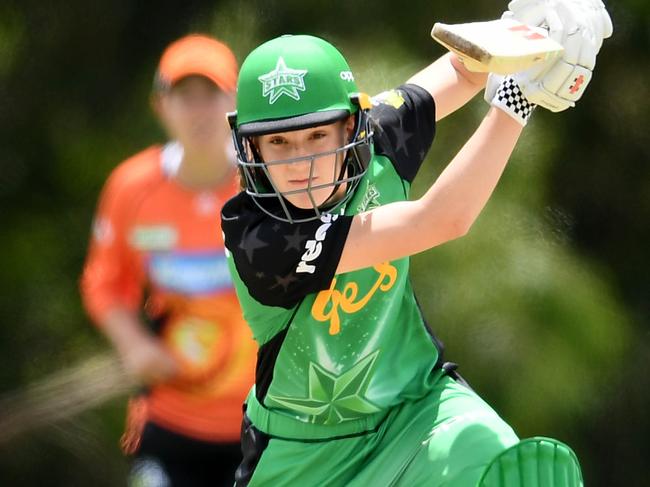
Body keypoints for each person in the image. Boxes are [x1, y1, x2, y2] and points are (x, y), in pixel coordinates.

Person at [220, 1, 612, 486]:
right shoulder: (258, 238)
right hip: (304, 452)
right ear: (250, 148)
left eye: (317, 135)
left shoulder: (378, 139)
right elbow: (441, 220)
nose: (300, 162)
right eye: (278, 143)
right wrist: (517, 99)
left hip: (417, 412)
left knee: (509, 471)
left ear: (350, 126)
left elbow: (463, 67)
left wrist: (526, 34)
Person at [81, 34, 257, 487]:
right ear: (161, 106)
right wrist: (133, 345)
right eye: (184, 97)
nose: (199, 111)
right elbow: (104, 282)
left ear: (235, 101)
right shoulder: (130, 188)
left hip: (265, 419)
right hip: (168, 420)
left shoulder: (268, 183)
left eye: (211, 95)